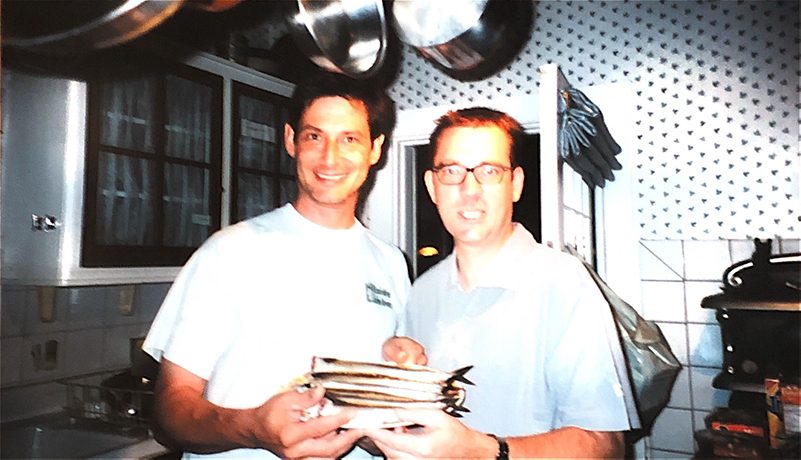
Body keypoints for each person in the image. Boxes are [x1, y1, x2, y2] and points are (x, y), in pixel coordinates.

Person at [142, 72, 410, 458]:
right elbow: (168, 413)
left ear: (375, 149)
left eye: (349, 139)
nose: (330, 157)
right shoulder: (228, 252)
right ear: (291, 141)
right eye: (314, 136)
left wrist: (375, 429)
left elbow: (377, 403)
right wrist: (253, 428)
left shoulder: (391, 264)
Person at [371, 107, 633, 458]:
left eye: (490, 170)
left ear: (516, 184)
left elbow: (606, 446)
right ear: (433, 186)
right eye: (452, 171)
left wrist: (481, 450)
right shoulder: (422, 292)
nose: (470, 189)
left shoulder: (565, 283)